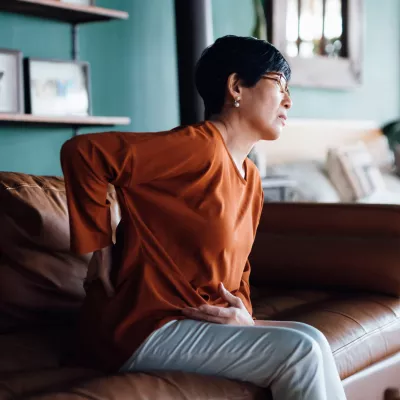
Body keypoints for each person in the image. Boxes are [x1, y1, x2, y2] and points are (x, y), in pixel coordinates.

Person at [60, 35, 346, 400]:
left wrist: (244, 313)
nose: (289, 100)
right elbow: (83, 153)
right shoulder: (199, 147)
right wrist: (98, 248)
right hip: (144, 326)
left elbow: (238, 268)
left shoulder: (251, 178)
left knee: (313, 338)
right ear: (236, 86)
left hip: (195, 325)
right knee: (300, 351)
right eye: (279, 84)